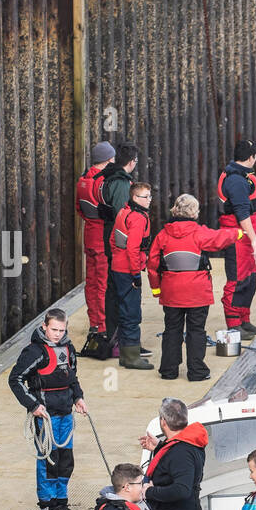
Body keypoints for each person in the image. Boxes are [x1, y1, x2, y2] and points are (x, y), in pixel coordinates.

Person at [146, 194, 243, 381]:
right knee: (196, 330)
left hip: (172, 291)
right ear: (193, 212)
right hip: (197, 292)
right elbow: (219, 238)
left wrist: (156, 288)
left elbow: (152, 264)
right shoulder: (199, 233)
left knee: (171, 330)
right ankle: (197, 372)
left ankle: (169, 371)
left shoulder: (163, 235)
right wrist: (238, 233)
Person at [8, 308, 89, 510]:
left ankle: (61, 503)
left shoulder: (69, 348)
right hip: (45, 415)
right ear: (45, 326)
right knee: (49, 460)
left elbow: (72, 377)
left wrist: (78, 398)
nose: (58, 334)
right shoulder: (34, 352)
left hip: (65, 413)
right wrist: (33, 405)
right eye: (54, 329)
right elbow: (15, 379)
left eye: (62, 330)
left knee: (65, 459)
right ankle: (46, 506)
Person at [96, 144, 149, 358]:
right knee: (125, 298)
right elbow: (122, 220)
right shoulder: (121, 183)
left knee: (117, 294)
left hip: (116, 246)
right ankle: (123, 344)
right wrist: (135, 269)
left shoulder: (109, 178)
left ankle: (121, 341)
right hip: (121, 252)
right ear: (131, 161)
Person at [217, 139, 256, 336]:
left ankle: (244, 320)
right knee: (236, 280)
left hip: (245, 237)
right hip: (237, 237)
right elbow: (242, 214)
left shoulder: (240, 174)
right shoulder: (236, 180)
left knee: (249, 279)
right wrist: (255, 241)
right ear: (252, 157)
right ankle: (233, 324)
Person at [110, 181, 154, 370]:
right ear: (135, 198)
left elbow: (113, 239)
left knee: (124, 310)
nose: (149, 200)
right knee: (132, 313)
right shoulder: (138, 218)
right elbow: (133, 248)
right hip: (128, 270)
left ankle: (126, 354)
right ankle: (132, 357)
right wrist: (136, 274)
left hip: (118, 267)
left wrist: (116, 258)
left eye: (150, 196)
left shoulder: (123, 212)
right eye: (146, 197)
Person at [75, 141, 114, 345]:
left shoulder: (82, 181)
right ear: (108, 159)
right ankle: (102, 325)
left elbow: (79, 209)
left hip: (89, 236)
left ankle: (95, 322)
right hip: (102, 239)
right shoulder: (103, 183)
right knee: (102, 284)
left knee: (91, 283)